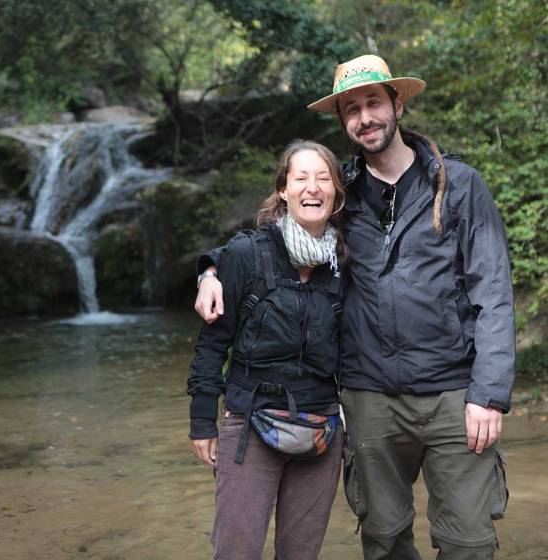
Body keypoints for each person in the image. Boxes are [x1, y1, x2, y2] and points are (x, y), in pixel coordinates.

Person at [194, 54, 514, 559]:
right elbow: (273, 235)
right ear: (343, 121)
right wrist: (210, 269)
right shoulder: (340, 194)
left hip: (455, 392)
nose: (365, 118)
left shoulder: (457, 184)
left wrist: (490, 395)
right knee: (384, 539)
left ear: (397, 104)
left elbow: (492, 288)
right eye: (351, 109)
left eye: (373, 103)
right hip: (368, 397)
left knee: (469, 542)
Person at [188, 139, 348, 560]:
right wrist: (202, 421)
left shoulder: (345, 262)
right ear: (283, 189)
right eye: (301, 178)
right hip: (249, 422)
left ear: (336, 193)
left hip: (322, 428)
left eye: (323, 178)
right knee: (236, 552)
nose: (312, 187)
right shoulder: (247, 254)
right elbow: (212, 344)